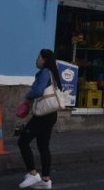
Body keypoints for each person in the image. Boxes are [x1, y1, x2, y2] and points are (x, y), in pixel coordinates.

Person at [18, 49, 61, 189]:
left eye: (38, 57)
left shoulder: (44, 72)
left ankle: (32, 174)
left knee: (23, 141)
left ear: (44, 60)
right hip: (51, 114)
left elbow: (38, 91)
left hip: (43, 115)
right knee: (43, 146)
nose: (36, 60)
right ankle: (46, 180)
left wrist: (27, 96)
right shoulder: (53, 73)